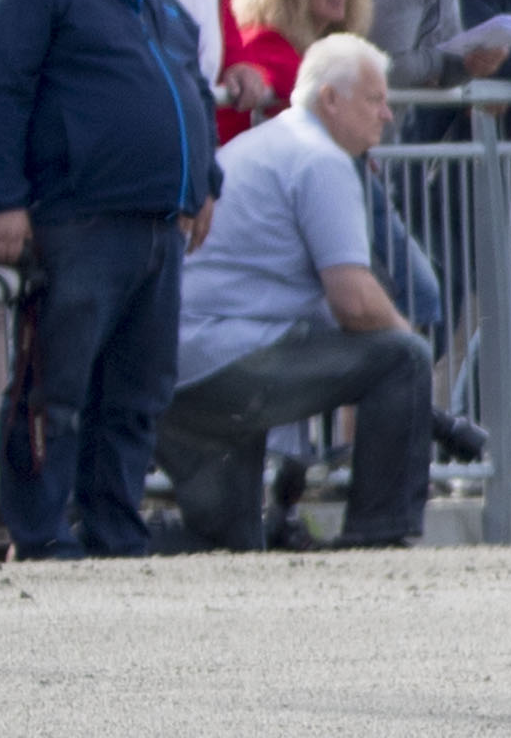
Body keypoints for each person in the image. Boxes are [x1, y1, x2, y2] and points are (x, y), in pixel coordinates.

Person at [0, 0, 225, 558]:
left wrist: (205, 181)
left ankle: (115, 529)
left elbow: (192, 87)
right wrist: (3, 200)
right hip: (75, 217)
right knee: (54, 387)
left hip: (157, 221)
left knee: (137, 393)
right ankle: (40, 533)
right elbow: (1, 93)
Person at [159, 28, 444, 551]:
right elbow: (354, 303)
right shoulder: (321, 159)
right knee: (403, 357)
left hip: (178, 370)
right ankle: (380, 533)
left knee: (229, 543)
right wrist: (412, 349)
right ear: (330, 99)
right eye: (375, 100)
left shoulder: (264, 143)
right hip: (227, 362)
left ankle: (95, 542)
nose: (387, 115)